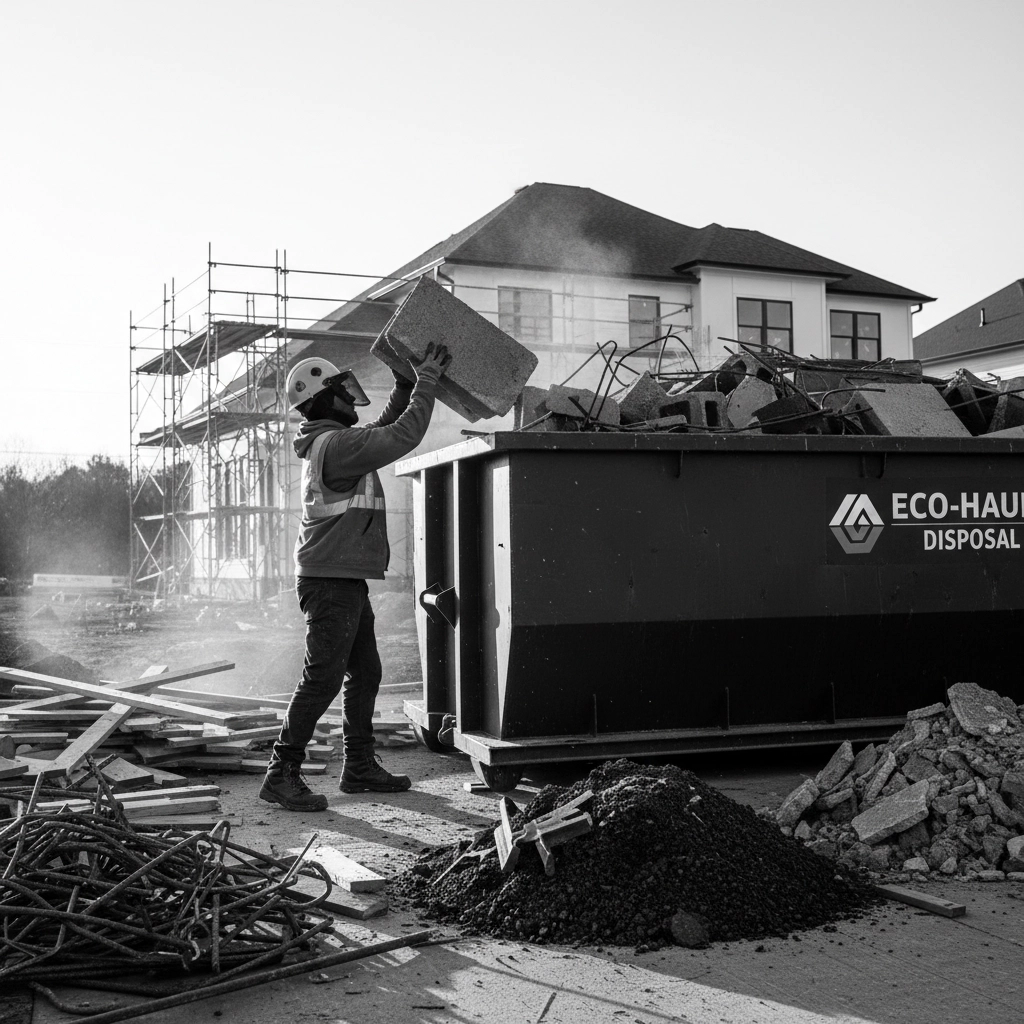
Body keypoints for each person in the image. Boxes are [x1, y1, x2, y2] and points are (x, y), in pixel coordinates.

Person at [260, 345, 450, 811]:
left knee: (365, 672)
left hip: (339, 577)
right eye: (341, 391)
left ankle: (359, 766)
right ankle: (280, 773)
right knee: (323, 678)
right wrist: (427, 382)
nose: (351, 397)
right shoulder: (338, 447)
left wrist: (405, 385)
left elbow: (382, 430)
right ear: (323, 402)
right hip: (330, 581)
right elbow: (401, 436)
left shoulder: (332, 443)